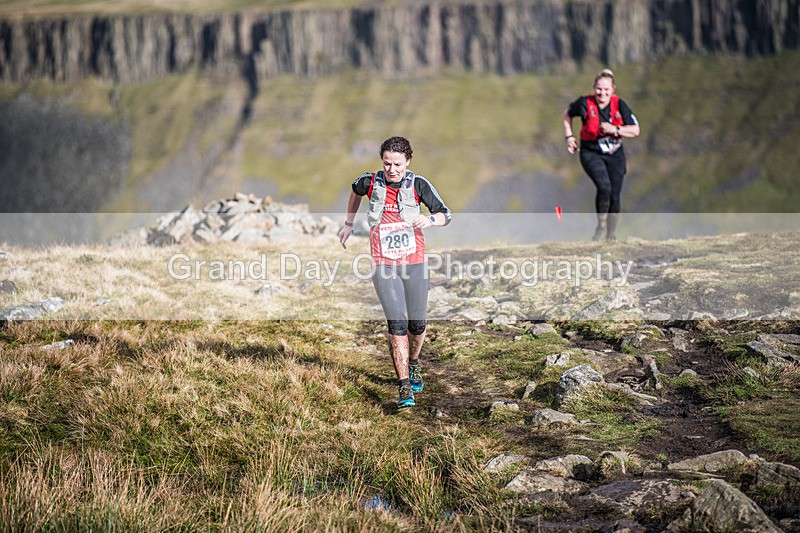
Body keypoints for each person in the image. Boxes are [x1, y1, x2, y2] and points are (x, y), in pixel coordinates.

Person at [338, 136, 452, 409]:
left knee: (417, 325)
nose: (392, 169)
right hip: (383, 264)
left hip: (414, 263)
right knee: (397, 325)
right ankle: (403, 387)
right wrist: (348, 223)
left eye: (398, 164)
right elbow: (354, 191)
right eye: (387, 163)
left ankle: (413, 363)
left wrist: (430, 219)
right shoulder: (370, 181)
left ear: (408, 161)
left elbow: (446, 214)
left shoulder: (419, 184)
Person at [562, 68, 640, 241]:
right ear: (593, 88)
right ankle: (601, 226)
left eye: (606, 89)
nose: (602, 93)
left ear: (613, 89)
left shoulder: (620, 105)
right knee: (604, 186)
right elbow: (567, 114)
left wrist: (615, 129)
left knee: (615, 195)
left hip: (615, 153)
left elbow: (635, 130)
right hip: (591, 152)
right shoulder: (583, 103)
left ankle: (611, 235)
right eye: (598, 89)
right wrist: (569, 137)